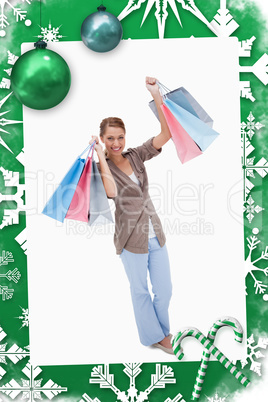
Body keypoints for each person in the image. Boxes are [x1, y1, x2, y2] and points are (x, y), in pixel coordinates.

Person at [89, 77, 173, 354]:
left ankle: (161, 334)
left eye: (120, 137)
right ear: (102, 140)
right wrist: (101, 157)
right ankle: (158, 338)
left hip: (154, 231)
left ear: (125, 137)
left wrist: (156, 95)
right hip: (129, 238)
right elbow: (112, 192)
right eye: (110, 138)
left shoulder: (136, 155)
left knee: (165, 289)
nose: (116, 142)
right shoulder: (101, 168)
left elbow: (166, 134)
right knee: (140, 291)